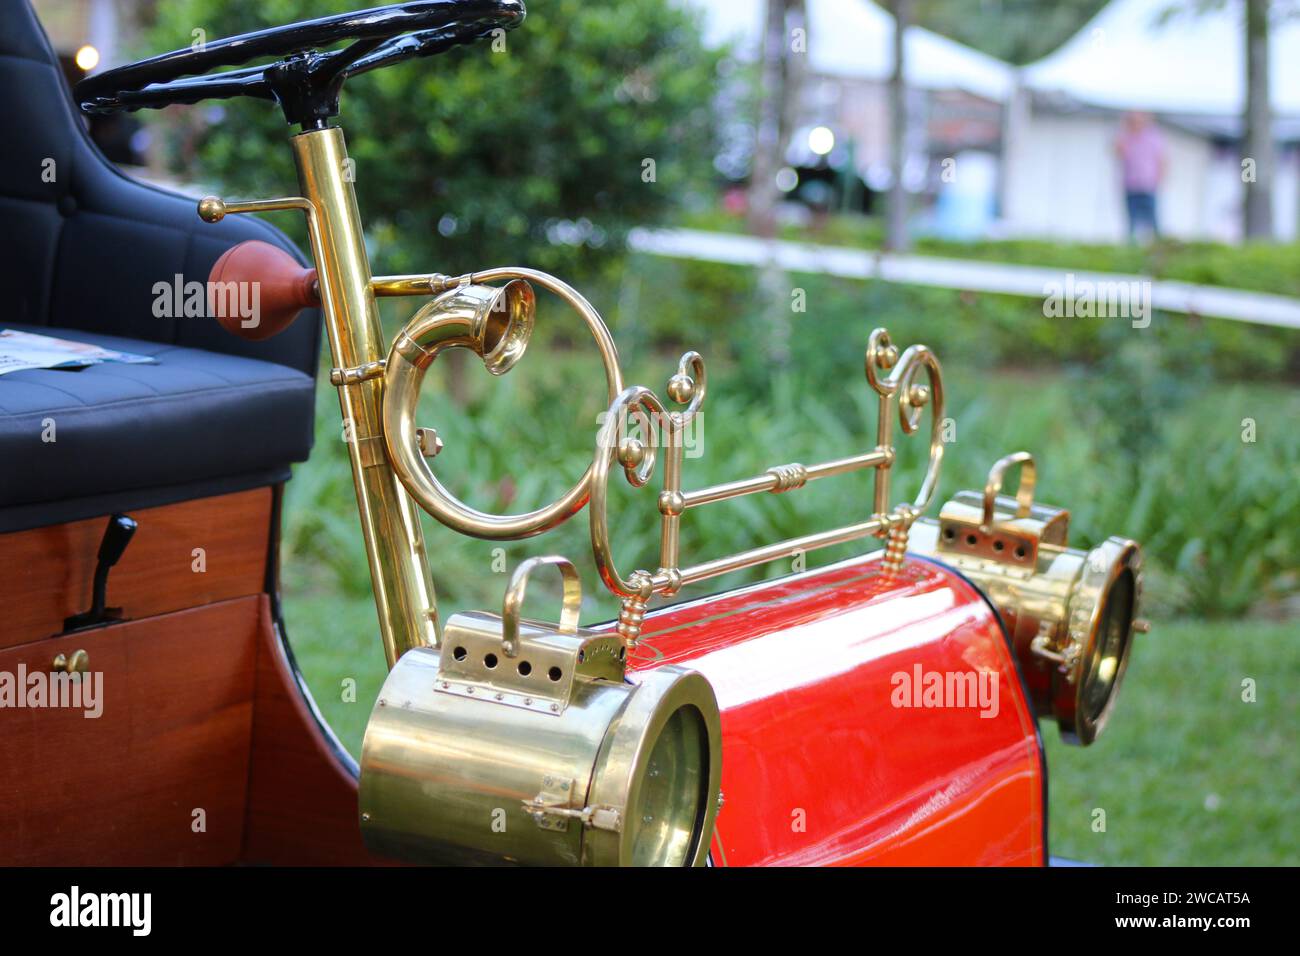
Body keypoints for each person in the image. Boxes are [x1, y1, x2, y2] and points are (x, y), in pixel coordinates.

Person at [1115, 111, 1166, 241]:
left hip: (1148, 184)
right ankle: (1131, 248)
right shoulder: (1126, 138)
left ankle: (1158, 246)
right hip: (1131, 184)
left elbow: (1161, 160)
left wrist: (1159, 179)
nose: (1135, 123)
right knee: (1131, 221)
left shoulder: (1153, 138)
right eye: (1132, 120)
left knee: (1153, 221)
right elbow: (1118, 153)